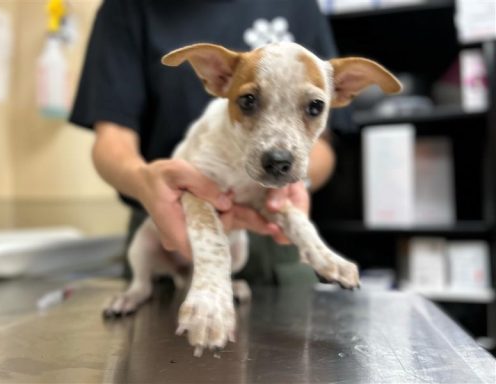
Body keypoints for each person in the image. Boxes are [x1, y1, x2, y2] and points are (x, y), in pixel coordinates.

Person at [70, 0, 351, 285]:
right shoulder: (127, 8)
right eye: (250, 101)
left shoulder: (298, 5)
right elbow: (112, 138)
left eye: (313, 108)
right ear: (217, 77)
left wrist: (293, 183)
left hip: (270, 239)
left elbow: (325, 146)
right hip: (164, 217)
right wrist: (142, 181)